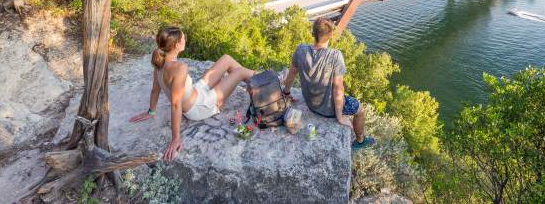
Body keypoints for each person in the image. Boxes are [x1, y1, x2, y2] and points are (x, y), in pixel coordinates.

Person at [130, 26, 254, 160]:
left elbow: (155, 90)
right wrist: (176, 138)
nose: (185, 40)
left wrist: (151, 111)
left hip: (197, 92)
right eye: (184, 38)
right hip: (201, 106)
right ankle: (267, 81)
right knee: (240, 72)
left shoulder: (160, 63)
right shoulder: (180, 68)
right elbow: (176, 104)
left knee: (227, 59)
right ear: (177, 45)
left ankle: (260, 81)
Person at [282, 17, 375, 150]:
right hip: (328, 109)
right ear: (330, 35)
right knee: (359, 110)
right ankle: (360, 140)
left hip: (310, 103)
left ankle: (359, 139)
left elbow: (291, 74)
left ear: (312, 33)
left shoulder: (300, 50)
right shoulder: (335, 56)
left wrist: (286, 92)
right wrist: (339, 117)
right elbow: (338, 88)